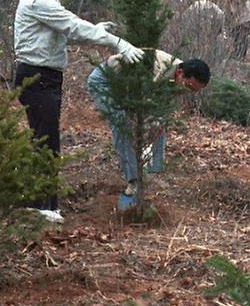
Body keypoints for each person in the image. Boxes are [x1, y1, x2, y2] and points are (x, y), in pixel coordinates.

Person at [14, 0, 145, 223]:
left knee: (44, 138)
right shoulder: (39, 0)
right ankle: (41, 207)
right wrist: (117, 43)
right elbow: (72, 26)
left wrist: (97, 29)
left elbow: (64, 28)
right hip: (37, 77)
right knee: (45, 140)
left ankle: (40, 201)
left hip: (45, 76)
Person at [88, 52, 210, 197]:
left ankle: (155, 171)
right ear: (180, 73)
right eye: (189, 88)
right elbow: (140, 109)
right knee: (121, 123)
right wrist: (143, 139)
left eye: (194, 91)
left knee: (159, 123)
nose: (188, 92)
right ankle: (133, 180)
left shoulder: (179, 74)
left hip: (127, 88)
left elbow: (160, 112)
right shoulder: (157, 71)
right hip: (105, 81)